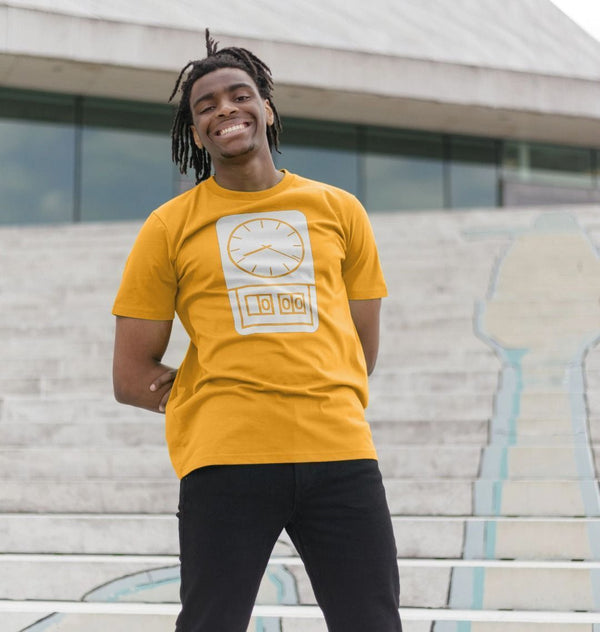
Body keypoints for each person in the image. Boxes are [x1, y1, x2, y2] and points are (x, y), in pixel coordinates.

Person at [112, 29, 402, 632]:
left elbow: (361, 347)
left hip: (341, 452)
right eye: (206, 106)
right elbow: (131, 374)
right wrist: (216, 395)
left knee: (372, 622)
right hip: (226, 461)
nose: (225, 110)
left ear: (267, 109)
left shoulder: (339, 209)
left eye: (239, 95)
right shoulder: (169, 227)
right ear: (195, 133)